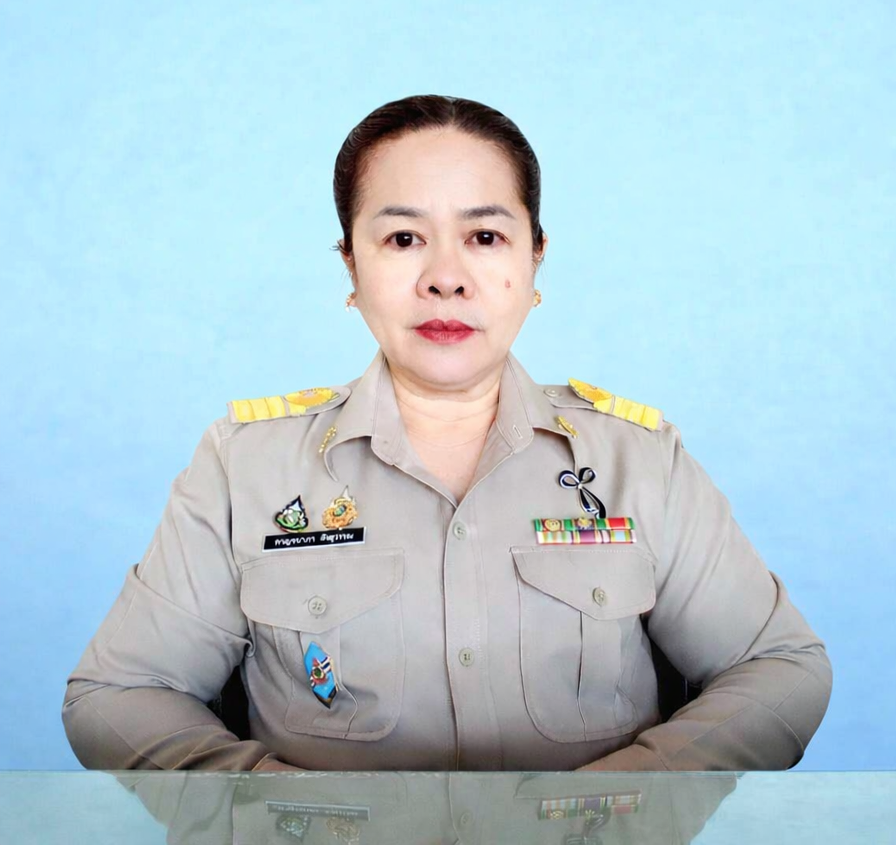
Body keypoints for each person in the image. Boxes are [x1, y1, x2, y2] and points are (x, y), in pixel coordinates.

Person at [63, 94, 832, 772]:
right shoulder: (247, 464)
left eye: (485, 238)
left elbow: (779, 667)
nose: (445, 277)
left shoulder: (637, 458)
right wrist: (275, 806)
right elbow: (119, 694)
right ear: (351, 265)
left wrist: (632, 798)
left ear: (535, 258)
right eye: (403, 239)